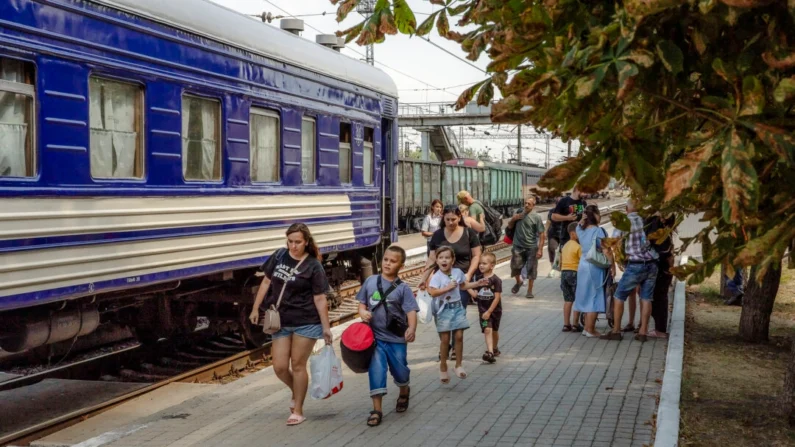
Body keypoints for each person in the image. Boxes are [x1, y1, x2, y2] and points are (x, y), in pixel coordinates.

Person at [249, 223, 332, 426]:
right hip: (281, 320)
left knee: (297, 364)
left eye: (298, 242)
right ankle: (297, 390)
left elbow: (320, 298)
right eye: (290, 241)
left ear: (306, 242)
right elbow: (266, 282)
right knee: (278, 366)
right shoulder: (279, 256)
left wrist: (326, 327)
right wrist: (255, 307)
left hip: (306, 321)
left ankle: (298, 410)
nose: (293, 246)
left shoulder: (314, 265)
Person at [357, 246, 419, 427]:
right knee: (376, 370)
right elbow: (361, 304)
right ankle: (377, 409)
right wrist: (362, 312)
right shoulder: (370, 281)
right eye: (385, 259)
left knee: (400, 371)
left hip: (396, 339)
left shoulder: (403, 288)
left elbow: (411, 311)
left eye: (393, 261)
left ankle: (404, 390)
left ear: (401, 265)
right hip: (375, 339)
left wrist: (412, 328)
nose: (387, 263)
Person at [601, 199, 659, 342]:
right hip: (652, 263)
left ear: (627, 209)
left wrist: (613, 261)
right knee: (646, 298)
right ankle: (643, 332)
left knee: (619, 296)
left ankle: (616, 331)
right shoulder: (647, 220)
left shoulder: (624, 222)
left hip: (635, 264)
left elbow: (611, 243)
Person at [427, 246, 486, 383]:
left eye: (447, 257)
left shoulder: (457, 272)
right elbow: (433, 292)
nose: (444, 260)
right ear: (437, 260)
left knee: (459, 336)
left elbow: (463, 286)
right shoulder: (437, 276)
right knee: (445, 339)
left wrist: (477, 283)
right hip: (444, 309)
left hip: (458, 307)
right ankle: (443, 366)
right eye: (441, 258)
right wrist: (446, 288)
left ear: (452, 260)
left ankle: (458, 365)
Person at [574, 205, 614, 338]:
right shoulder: (598, 231)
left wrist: (582, 219)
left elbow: (578, 226)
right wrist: (612, 265)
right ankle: (590, 329)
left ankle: (586, 327)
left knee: (586, 296)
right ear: (596, 215)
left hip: (583, 265)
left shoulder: (580, 230)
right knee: (594, 297)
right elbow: (606, 250)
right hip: (595, 267)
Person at [507, 196, 545, 298]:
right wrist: (513, 219)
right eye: (525, 203)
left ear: (533, 205)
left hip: (531, 247)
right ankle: (519, 282)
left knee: (531, 270)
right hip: (518, 246)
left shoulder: (536, 217)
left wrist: (540, 249)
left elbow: (542, 234)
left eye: (529, 204)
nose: (526, 205)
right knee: (515, 267)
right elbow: (509, 226)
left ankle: (529, 290)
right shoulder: (519, 213)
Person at [469, 252, 503, 363]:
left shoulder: (496, 280)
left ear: (492, 266)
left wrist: (489, 311)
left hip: (495, 311)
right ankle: (490, 352)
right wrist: (465, 287)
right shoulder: (478, 279)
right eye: (480, 263)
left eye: (484, 263)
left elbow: (497, 298)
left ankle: (495, 348)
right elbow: (475, 295)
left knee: (494, 331)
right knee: (487, 329)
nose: (481, 266)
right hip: (482, 312)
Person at [647, 212, 676, 338]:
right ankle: (660, 328)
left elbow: (661, 250)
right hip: (665, 269)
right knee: (659, 297)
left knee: (658, 298)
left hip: (662, 269)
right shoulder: (665, 230)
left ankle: (660, 330)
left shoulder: (661, 232)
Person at [560, 222, 583, 332]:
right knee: (578, 299)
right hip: (574, 273)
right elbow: (582, 261)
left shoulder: (565, 246)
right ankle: (575, 324)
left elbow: (560, 261)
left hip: (564, 273)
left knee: (568, 300)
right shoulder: (578, 247)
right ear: (573, 234)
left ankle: (566, 324)